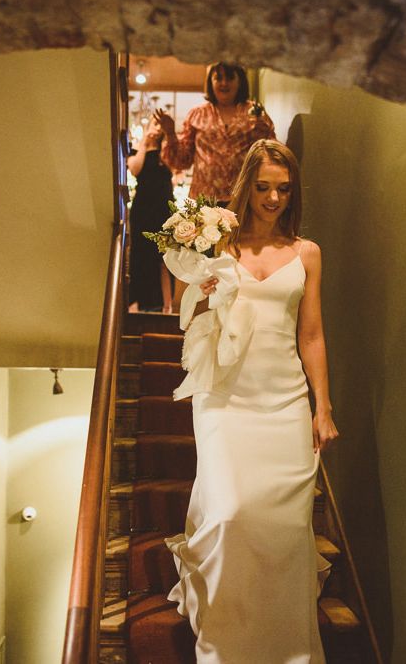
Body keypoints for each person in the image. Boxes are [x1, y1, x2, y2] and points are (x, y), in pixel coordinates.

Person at [165, 140, 339, 663]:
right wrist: (207, 285)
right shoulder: (218, 244)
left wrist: (322, 407)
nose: (272, 198)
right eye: (262, 187)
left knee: (285, 529)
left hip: (284, 400)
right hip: (225, 396)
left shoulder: (307, 253)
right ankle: (225, 642)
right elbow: (187, 310)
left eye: (283, 189)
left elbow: (311, 335)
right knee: (230, 514)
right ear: (246, 185)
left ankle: (283, 646)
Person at [154, 62, 276, 205]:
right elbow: (182, 162)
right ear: (210, 81)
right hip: (203, 201)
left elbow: (269, 153)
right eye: (218, 78)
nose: (224, 83)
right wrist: (170, 133)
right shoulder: (197, 114)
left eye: (230, 78)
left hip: (243, 199)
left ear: (240, 81)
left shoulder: (255, 113)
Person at [127, 120, 175, 313]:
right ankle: (138, 303)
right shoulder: (137, 151)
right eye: (154, 124)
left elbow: (175, 167)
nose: (156, 128)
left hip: (164, 209)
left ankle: (167, 305)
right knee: (141, 255)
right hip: (143, 209)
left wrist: (166, 141)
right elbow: (134, 169)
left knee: (165, 257)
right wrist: (144, 144)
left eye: (159, 125)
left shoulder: (167, 152)